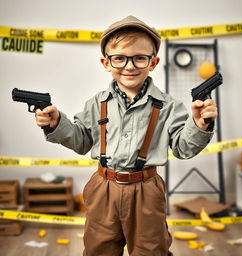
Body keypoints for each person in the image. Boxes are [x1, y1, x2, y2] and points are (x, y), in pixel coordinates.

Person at [35, 16, 217, 256]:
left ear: (153, 62)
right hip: (103, 188)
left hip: (146, 190)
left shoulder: (169, 106)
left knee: (151, 249)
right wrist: (57, 122)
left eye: (139, 58)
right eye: (119, 58)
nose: (129, 66)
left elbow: (183, 148)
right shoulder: (96, 103)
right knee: (98, 248)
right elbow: (81, 141)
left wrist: (199, 124)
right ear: (106, 62)